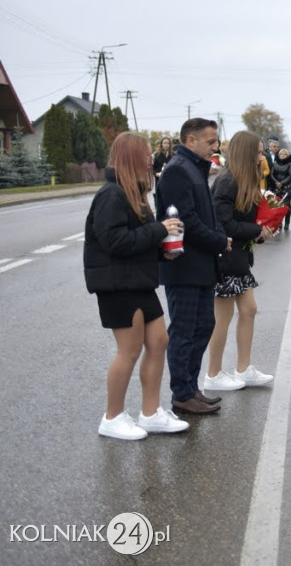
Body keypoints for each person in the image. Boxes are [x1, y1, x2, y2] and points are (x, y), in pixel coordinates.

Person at [86, 132, 189, 440]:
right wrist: (159, 230)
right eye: (144, 153)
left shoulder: (134, 192)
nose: (150, 157)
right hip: (117, 284)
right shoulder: (112, 195)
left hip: (139, 281)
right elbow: (116, 242)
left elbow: (141, 239)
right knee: (129, 351)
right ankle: (112, 417)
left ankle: (151, 412)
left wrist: (164, 249)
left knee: (159, 342)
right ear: (130, 157)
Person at [156, 118, 232, 415]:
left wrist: (217, 237)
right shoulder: (177, 170)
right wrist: (218, 241)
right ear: (191, 141)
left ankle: (191, 387)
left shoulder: (193, 168)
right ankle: (182, 394)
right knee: (185, 330)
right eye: (211, 141)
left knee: (203, 325)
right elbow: (184, 219)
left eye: (216, 141)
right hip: (184, 265)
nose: (216, 146)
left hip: (200, 265)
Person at [205, 130, 276, 392]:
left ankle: (244, 369)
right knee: (222, 317)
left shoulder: (243, 179)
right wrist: (256, 231)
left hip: (237, 256)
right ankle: (213, 374)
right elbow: (224, 223)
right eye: (258, 152)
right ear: (246, 153)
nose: (261, 157)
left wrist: (260, 232)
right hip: (224, 256)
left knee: (248, 310)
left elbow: (243, 223)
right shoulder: (227, 181)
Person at [270, 147, 291, 231]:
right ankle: (279, 223)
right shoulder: (274, 163)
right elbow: (271, 174)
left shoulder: (290, 164)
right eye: (281, 154)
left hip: (287, 188)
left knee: (287, 207)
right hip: (276, 187)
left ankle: (287, 223)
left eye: (285, 154)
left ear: (287, 155)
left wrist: (282, 183)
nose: (283, 156)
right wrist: (276, 182)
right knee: (277, 206)